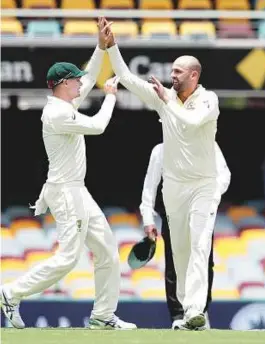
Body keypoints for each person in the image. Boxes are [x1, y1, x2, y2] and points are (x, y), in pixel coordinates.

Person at [0, 18, 136, 331]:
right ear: (63, 84)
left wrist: (101, 47)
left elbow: (88, 77)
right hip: (65, 191)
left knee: (107, 251)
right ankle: (10, 293)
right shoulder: (57, 112)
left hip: (77, 190)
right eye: (74, 80)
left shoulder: (66, 101)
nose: (80, 83)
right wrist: (112, 95)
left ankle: (103, 317)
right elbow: (99, 127)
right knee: (68, 258)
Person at [101, 18, 223, 330]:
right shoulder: (164, 96)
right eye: (171, 73)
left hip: (203, 185)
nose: (172, 77)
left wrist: (167, 100)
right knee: (180, 252)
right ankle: (185, 314)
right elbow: (126, 76)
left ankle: (196, 309)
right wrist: (111, 45)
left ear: (193, 75)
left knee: (200, 244)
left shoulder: (208, 100)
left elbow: (192, 123)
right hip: (174, 188)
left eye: (178, 73)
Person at [139, 142, 231, 330]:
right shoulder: (161, 150)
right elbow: (150, 186)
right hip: (173, 212)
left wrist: (210, 198)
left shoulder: (207, 145)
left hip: (202, 208)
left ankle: (200, 311)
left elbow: (224, 175)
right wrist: (147, 218)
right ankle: (179, 315)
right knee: (174, 261)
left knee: (203, 258)